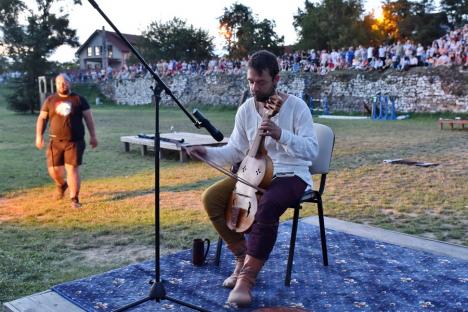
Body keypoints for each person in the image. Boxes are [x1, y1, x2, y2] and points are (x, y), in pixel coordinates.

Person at [186, 50, 318, 306]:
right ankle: (241, 254)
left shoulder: (297, 107)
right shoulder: (246, 109)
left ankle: (247, 279)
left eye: (261, 82)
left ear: (276, 79)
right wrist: (207, 153)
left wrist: (281, 135)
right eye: (250, 81)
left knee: (266, 207)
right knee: (212, 198)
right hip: (252, 172)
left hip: (291, 173)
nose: (254, 87)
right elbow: (235, 150)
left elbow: (312, 151)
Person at [35, 73, 98, 208]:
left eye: (64, 82)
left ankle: (74, 199)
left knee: (72, 169)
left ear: (69, 83)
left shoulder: (79, 99)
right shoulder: (50, 100)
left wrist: (93, 135)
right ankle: (61, 185)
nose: (62, 85)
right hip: (55, 142)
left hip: (74, 141)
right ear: (55, 84)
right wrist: (39, 136)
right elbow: (42, 118)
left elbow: (89, 118)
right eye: (59, 83)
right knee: (54, 171)